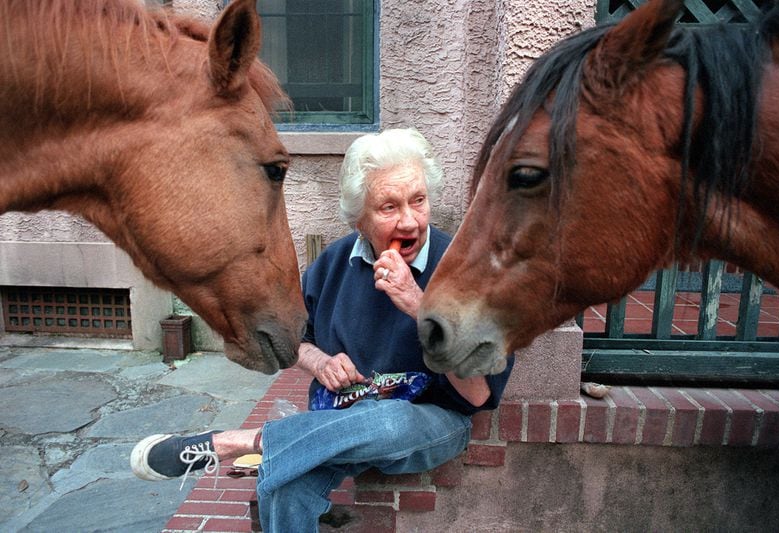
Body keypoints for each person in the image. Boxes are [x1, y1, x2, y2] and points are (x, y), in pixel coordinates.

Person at [130, 127, 514, 531]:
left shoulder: (465, 270)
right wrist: (319, 361)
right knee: (284, 482)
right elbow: (291, 338)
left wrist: (418, 306)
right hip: (340, 415)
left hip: (427, 421)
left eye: (418, 201)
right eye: (388, 207)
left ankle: (234, 443)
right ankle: (276, 453)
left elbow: (478, 393)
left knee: (387, 420)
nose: (409, 220)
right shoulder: (335, 263)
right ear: (360, 219)